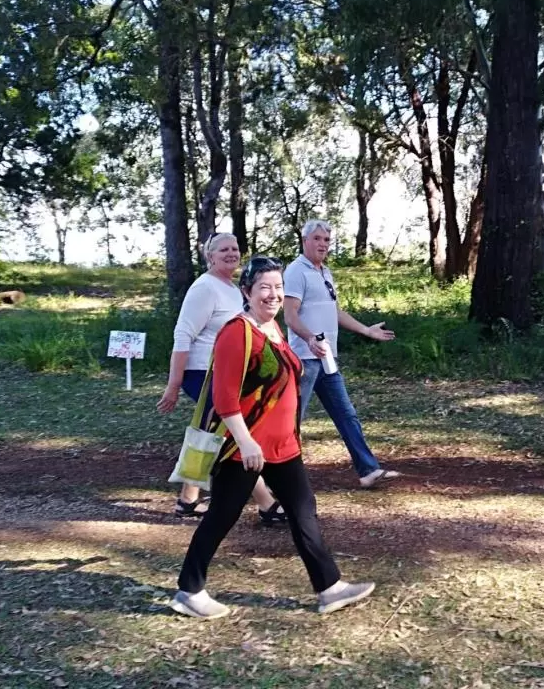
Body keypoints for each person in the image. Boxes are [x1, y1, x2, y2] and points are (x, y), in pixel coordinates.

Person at [170, 256, 375, 619]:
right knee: (222, 516)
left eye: (278, 287)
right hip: (245, 450)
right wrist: (247, 441)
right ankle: (189, 590)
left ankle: (329, 588)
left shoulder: (273, 328)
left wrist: (310, 350)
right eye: (264, 287)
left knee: (303, 511)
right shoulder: (237, 331)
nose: (273, 294)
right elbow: (225, 397)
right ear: (246, 291)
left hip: (283, 447)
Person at [157, 233, 284, 525]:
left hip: (229, 372)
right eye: (223, 249)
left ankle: (188, 499)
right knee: (234, 433)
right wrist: (174, 385)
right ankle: (266, 503)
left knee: (212, 433)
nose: (231, 253)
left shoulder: (233, 288)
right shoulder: (204, 288)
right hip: (202, 372)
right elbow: (183, 334)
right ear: (210, 256)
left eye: (235, 249)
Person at [283, 219, 400, 489]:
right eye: (317, 239)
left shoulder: (325, 272)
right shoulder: (295, 272)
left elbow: (334, 312)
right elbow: (289, 316)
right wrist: (310, 338)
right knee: (291, 420)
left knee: (346, 414)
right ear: (305, 240)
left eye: (326, 240)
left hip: (327, 359)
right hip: (304, 359)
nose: (323, 244)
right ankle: (269, 477)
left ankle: (368, 470)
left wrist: (366, 331)